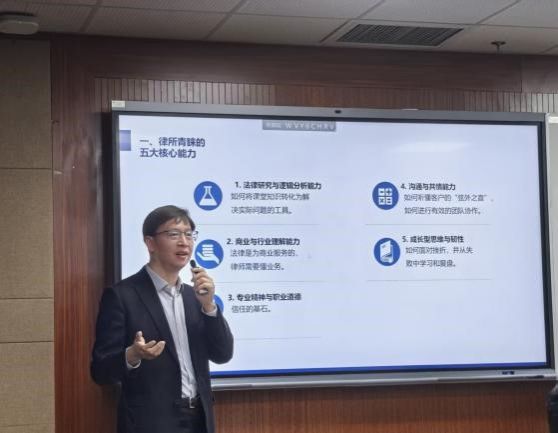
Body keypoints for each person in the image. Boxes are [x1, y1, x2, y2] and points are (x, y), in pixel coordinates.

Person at [91, 205, 234, 433]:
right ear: (150, 243)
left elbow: (222, 354)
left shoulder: (195, 297)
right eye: (174, 234)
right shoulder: (122, 296)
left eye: (189, 234)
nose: (184, 242)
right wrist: (133, 355)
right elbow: (100, 370)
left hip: (199, 420)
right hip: (150, 424)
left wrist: (209, 307)